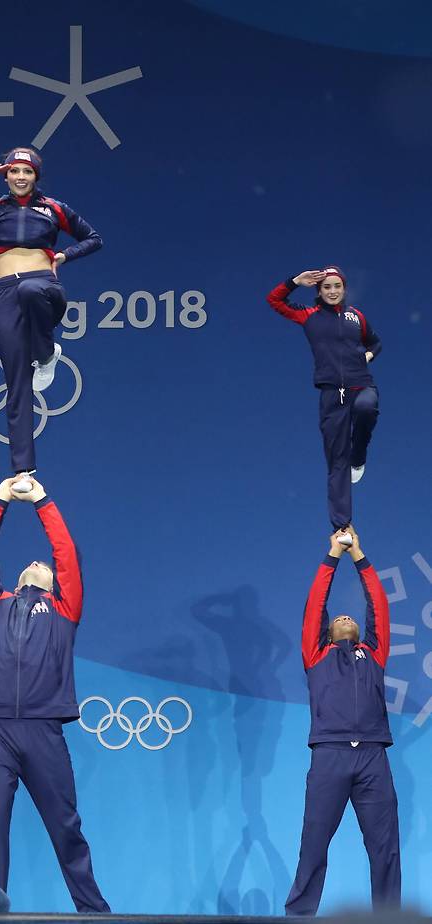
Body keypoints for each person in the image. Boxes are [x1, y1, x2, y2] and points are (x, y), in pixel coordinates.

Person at [0, 475, 109, 913]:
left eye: (45, 564)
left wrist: (43, 500)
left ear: (54, 581)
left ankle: (94, 911)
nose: (36, 560)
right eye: (32, 562)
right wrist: (0, 499)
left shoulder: (65, 607)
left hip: (43, 729)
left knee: (65, 826)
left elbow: (65, 553)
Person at [0, 147, 102, 493]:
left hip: (43, 286)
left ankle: (45, 353)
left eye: (27, 172)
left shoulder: (55, 208)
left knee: (30, 289)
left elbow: (93, 238)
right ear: (7, 175)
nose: (20, 177)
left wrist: (63, 254)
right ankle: (24, 470)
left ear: (36, 176)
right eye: (14, 172)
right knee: (15, 377)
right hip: (5, 293)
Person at [285, 525, 400, 916]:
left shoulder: (375, 653)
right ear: (329, 632)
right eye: (338, 618)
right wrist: (332, 555)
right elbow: (316, 604)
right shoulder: (316, 655)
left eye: (350, 617)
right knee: (314, 843)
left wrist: (359, 556)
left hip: (372, 757)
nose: (345, 616)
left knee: (385, 847)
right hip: (329, 755)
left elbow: (378, 606)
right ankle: (299, 915)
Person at [266, 267, 381, 545]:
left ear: (344, 288)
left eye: (337, 286)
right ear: (319, 291)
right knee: (336, 460)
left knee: (368, 407)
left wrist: (367, 355)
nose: (332, 291)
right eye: (327, 287)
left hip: (360, 384)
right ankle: (342, 524)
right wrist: (295, 281)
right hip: (331, 394)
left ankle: (360, 455)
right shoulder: (308, 316)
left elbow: (375, 343)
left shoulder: (356, 316)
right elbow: (274, 301)